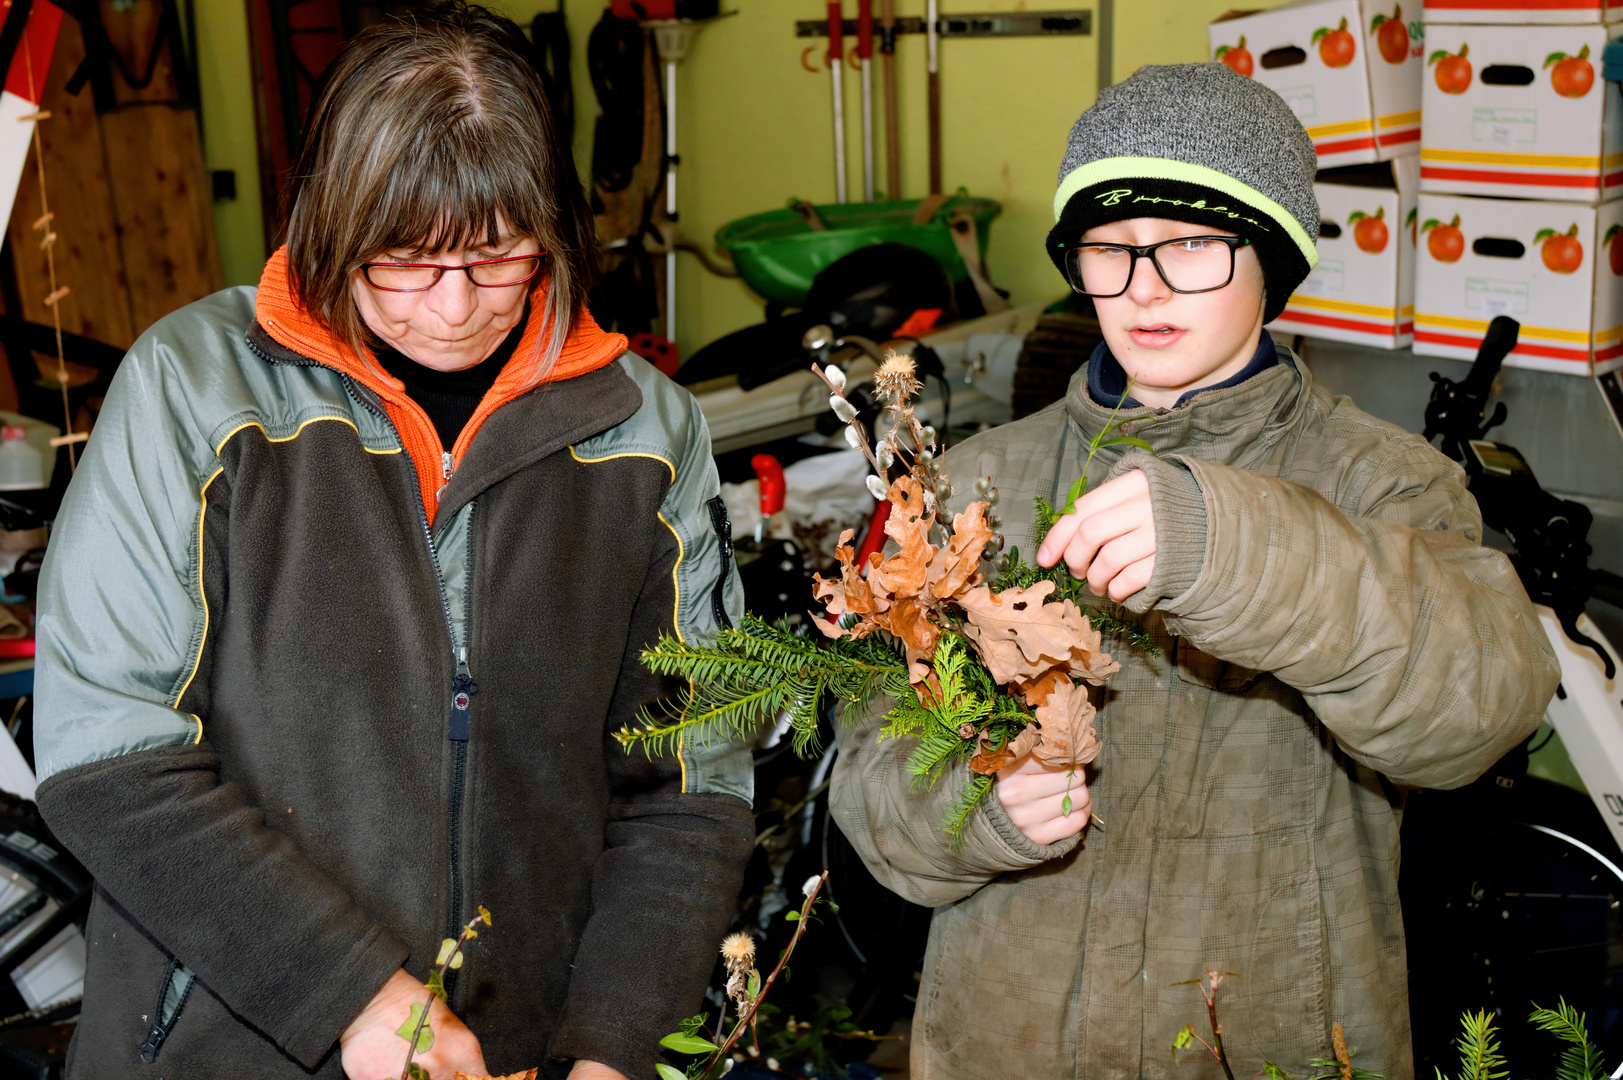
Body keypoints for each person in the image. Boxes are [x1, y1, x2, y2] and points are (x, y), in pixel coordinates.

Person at [31, 6, 752, 1079]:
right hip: (232, 1044)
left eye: (500, 257)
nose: (455, 307)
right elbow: (110, 755)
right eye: (407, 260)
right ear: (330, 223)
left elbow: (690, 784)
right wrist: (353, 993)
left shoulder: (645, 432)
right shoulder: (195, 390)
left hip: (520, 1046)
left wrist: (612, 1042)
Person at [830, 63, 1559, 1079]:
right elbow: (868, 779)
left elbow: (1480, 704)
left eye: (1195, 247)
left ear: (1274, 263)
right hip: (1001, 1040)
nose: (1148, 289)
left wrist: (1237, 547)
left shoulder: (1384, 481)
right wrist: (977, 808)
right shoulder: (983, 482)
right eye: (1111, 251)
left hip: (1267, 1046)